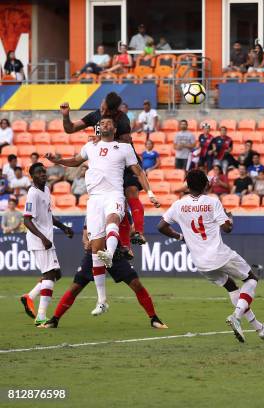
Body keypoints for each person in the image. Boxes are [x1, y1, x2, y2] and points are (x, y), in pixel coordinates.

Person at [46, 117, 159, 316]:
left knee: (113, 219)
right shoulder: (90, 146)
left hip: (114, 193)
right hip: (94, 199)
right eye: (103, 122)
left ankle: (111, 252)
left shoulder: (124, 148)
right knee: (96, 248)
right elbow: (75, 160)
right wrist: (59, 161)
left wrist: (150, 193)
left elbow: (138, 171)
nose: (105, 124)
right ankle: (102, 300)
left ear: (115, 129)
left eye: (108, 122)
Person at [158, 169, 264, 342]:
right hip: (219, 254)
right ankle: (236, 316)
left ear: (187, 186)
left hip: (200, 262)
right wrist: (229, 217)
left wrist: (180, 237)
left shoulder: (178, 205)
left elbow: (161, 226)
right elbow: (227, 228)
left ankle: (259, 328)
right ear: (206, 184)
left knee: (231, 287)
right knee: (251, 279)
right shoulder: (213, 202)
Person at [60, 92, 149, 245]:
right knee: (117, 206)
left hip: (125, 163)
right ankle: (125, 245)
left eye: (105, 110)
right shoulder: (95, 115)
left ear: (114, 111)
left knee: (131, 192)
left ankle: (139, 232)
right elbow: (70, 129)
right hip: (105, 166)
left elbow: (126, 141)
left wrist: (101, 137)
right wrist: (66, 116)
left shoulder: (121, 119)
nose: (102, 112)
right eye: (102, 107)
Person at [41, 223, 167, 329]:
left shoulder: (121, 210)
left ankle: (154, 318)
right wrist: (86, 243)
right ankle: (55, 319)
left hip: (115, 254)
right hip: (94, 254)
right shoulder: (94, 207)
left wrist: (128, 244)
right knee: (75, 287)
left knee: (136, 284)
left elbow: (127, 232)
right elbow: (86, 233)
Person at [19, 163, 74, 326]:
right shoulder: (33, 194)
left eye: (44, 171)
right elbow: (26, 220)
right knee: (50, 275)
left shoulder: (46, 190)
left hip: (46, 239)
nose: (43, 174)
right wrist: (43, 238)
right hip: (39, 241)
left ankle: (29, 297)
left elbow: (49, 216)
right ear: (33, 176)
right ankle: (41, 316)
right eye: (39, 172)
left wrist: (64, 228)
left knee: (56, 274)